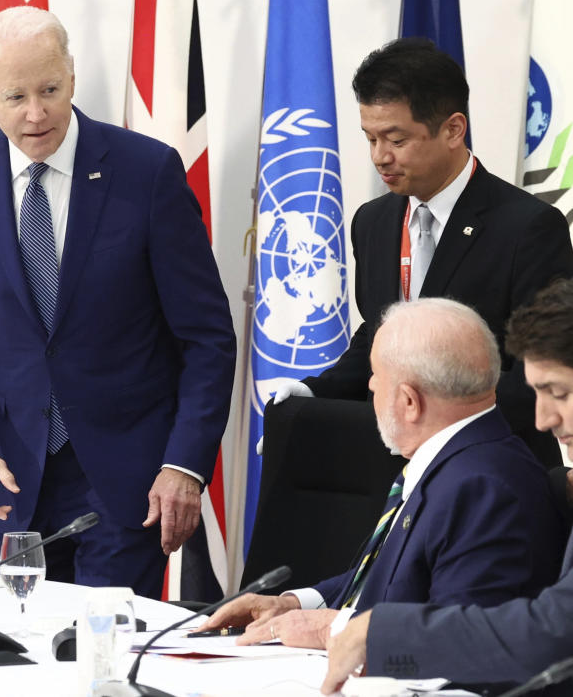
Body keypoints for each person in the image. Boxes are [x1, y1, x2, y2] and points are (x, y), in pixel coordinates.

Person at [0, 6, 236, 598]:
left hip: (130, 480)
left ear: (73, 76)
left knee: (100, 658)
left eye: (51, 90)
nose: (37, 114)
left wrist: (185, 463)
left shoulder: (146, 171)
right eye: (15, 97)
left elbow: (206, 337)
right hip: (13, 482)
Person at [271, 38, 573, 467]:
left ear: (452, 129)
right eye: (370, 138)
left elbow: (540, 371)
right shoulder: (371, 222)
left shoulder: (528, 227)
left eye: (396, 139)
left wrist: (435, 418)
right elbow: (380, 336)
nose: (380, 157)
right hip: (395, 475)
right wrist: (318, 391)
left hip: (496, 469)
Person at [198, 298, 565, 643]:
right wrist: (294, 604)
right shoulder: (454, 457)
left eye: (375, 376)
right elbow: (388, 576)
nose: (370, 386)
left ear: (408, 401)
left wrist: (334, 630)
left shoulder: (483, 488)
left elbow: (456, 640)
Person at [321, 279, 573, 695]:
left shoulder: (484, 482)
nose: (543, 419)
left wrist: (380, 634)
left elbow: (553, 630)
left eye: (559, 393)